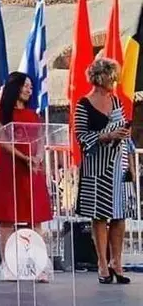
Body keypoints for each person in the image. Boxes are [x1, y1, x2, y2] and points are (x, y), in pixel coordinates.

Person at [75, 57, 135, 285]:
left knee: (120, 215)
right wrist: (106, 135)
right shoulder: (84, 104)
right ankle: (102, 263)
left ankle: (116, 263)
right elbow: (81, 136)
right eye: (112, 77)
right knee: (99, 216)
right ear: (102, 78)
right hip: (96, 167)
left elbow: (123, 132)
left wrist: (128, 154)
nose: (115, 81)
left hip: (118, 166)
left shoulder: (116, 101)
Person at [0, 72, 53, 281]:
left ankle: (37, 266)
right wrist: (24, 157)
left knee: (35, 219)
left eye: (31, 87)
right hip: (11, 168)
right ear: (15, 87)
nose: (29, 90)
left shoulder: (34, 115)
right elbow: (0, 139)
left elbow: (41, 139)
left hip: (32, 170)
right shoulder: (0, 113)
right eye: (25, 86)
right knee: (7, 218)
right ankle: (9, 265)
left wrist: (37, 157)